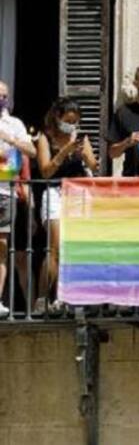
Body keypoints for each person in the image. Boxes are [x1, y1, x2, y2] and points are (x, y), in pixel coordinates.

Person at [34, 98, 98, 312]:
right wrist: (64, 152)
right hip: (55, 192)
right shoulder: (45, 138)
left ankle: (68, 298)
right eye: (68, 121)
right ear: (57, 117)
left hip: (78, 193)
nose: (71, 125)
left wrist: (86, 156)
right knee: (55, 247)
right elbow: (45, 171)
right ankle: (42, 298)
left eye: (75, 121)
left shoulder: (80, 137)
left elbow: (93, 165)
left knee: (75, 248)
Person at [0, 80, 35, 317]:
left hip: (6, 192)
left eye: (4, 96)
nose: (1, 99)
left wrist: (10, 140)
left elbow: (31, 151)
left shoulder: (14, 124)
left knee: (2, 247)